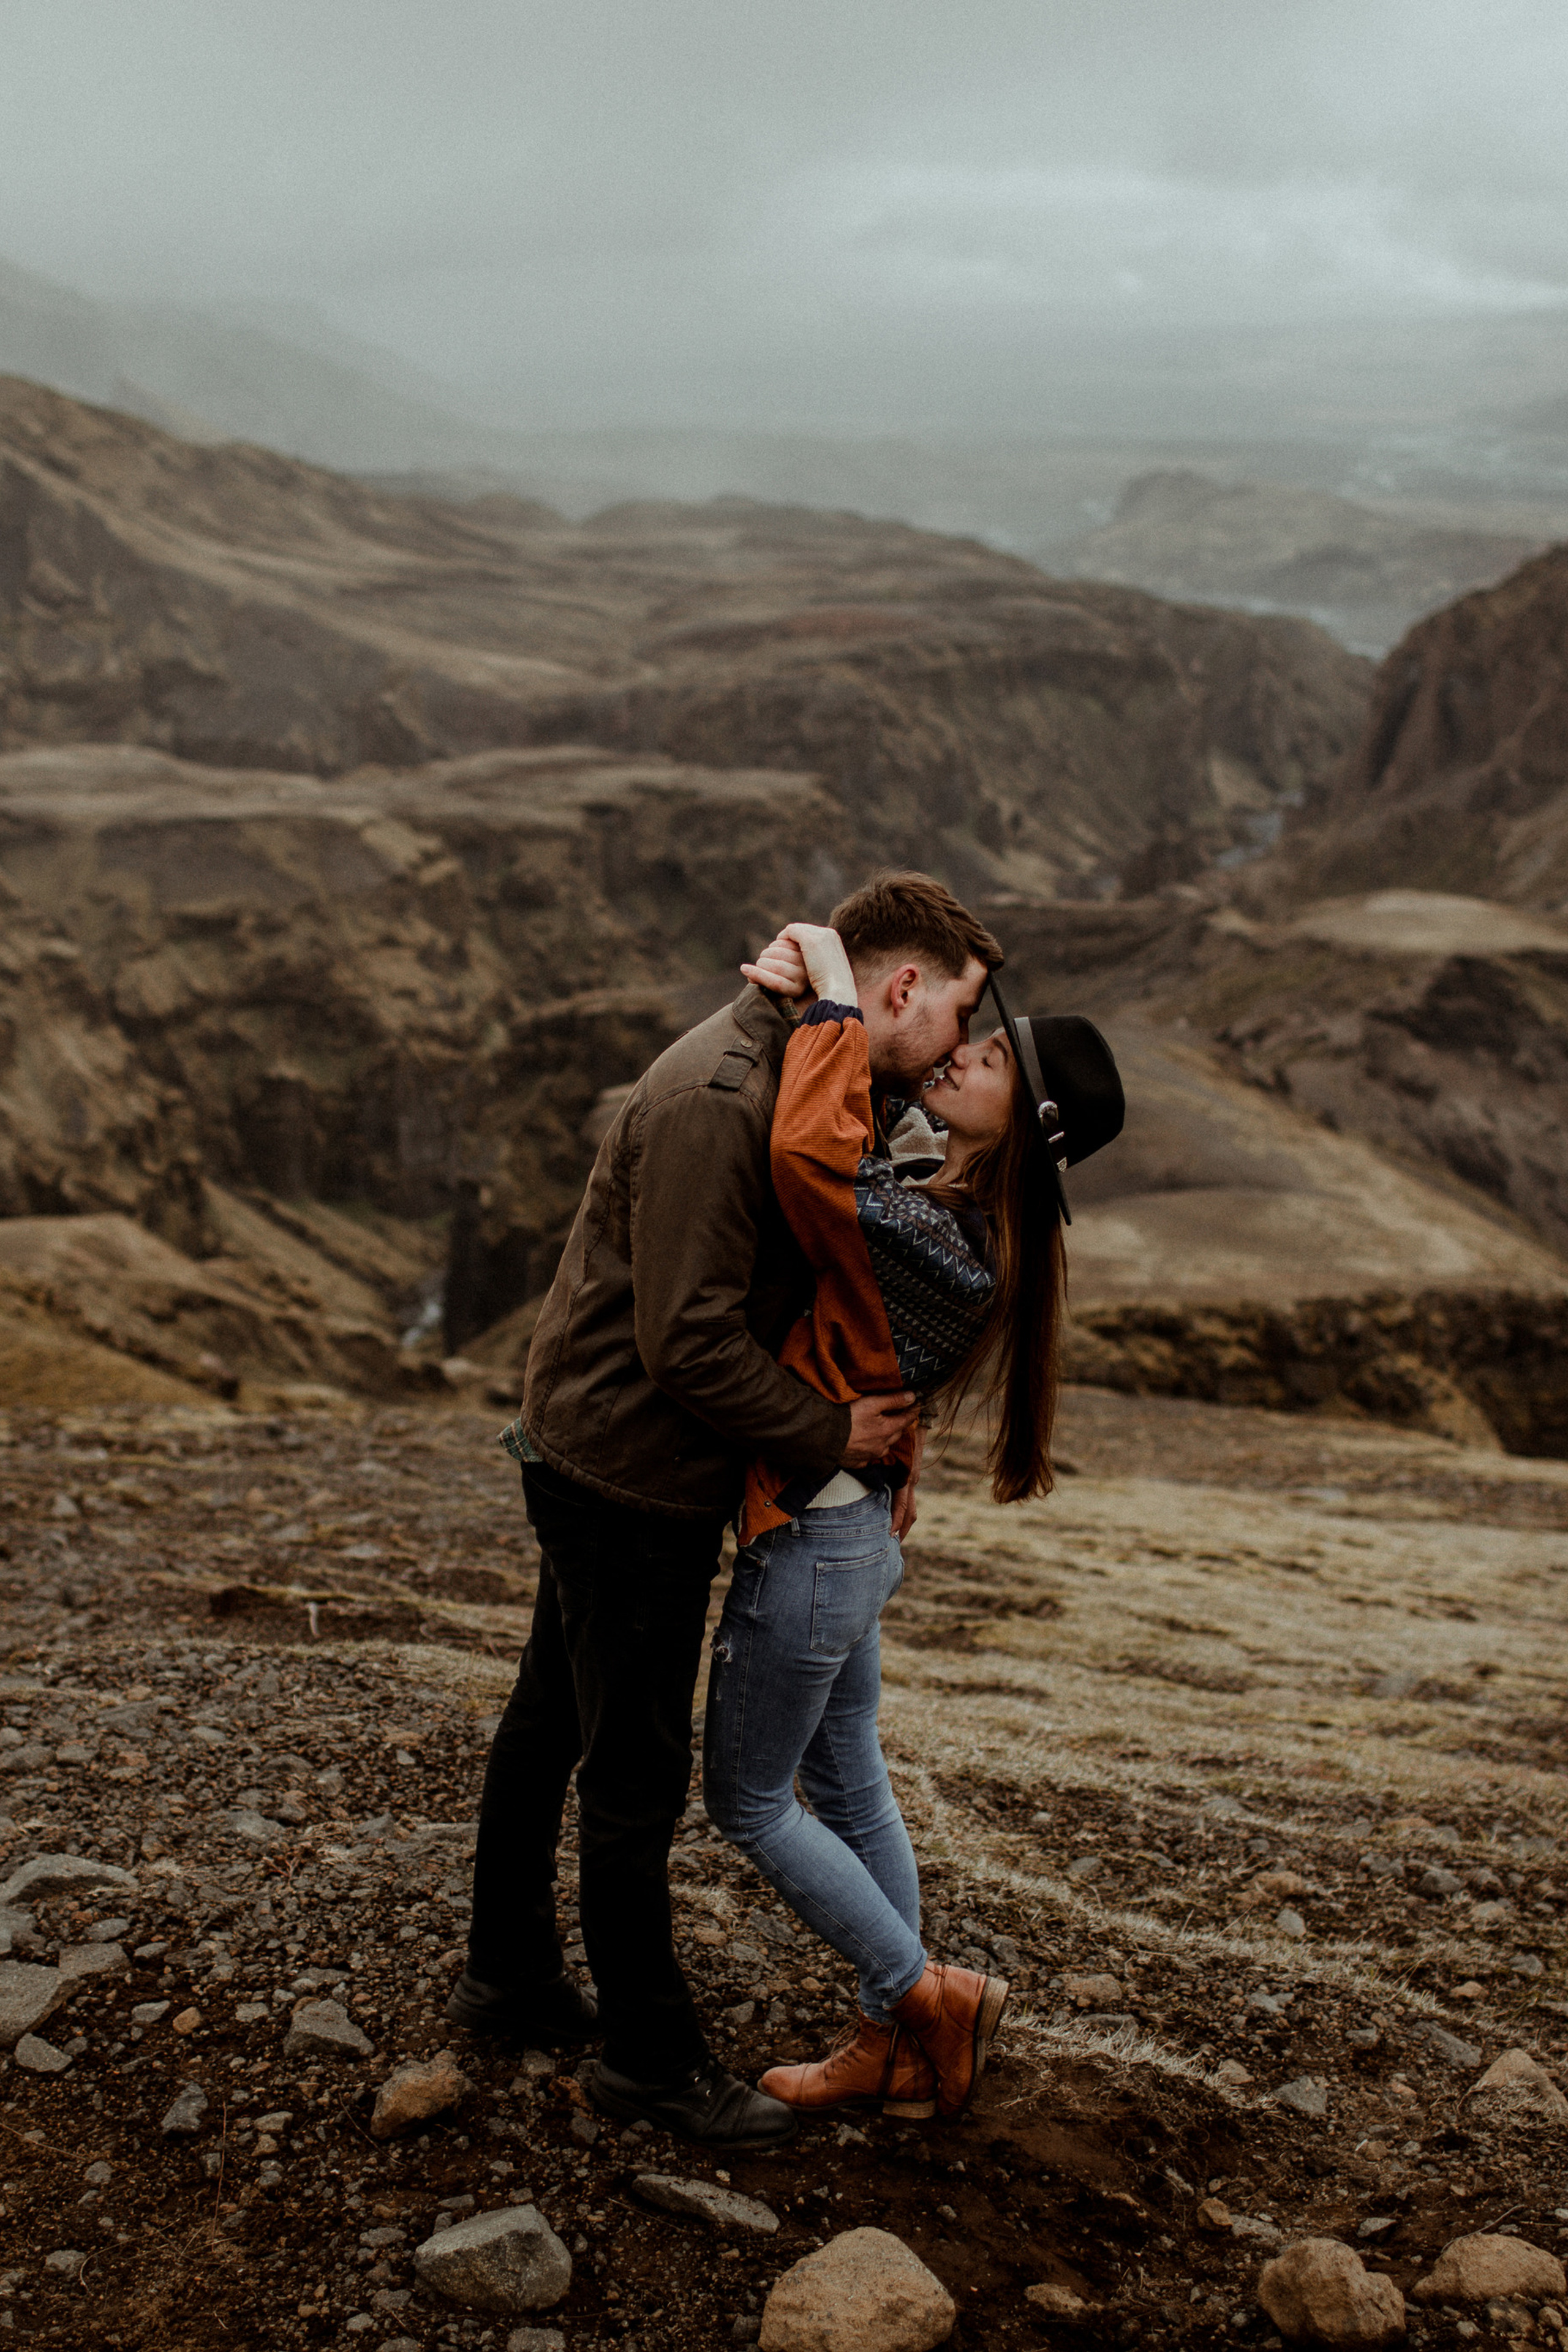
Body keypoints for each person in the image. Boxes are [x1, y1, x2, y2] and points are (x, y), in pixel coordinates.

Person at [447, 872, 1002, 2149]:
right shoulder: (722, 1093)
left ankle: (509, 1974)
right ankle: (648, 2061)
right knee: (633, 1772)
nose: (951, 1050)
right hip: (628, 1466)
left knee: (551, 1714)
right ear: (899, 987)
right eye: (954, 1014)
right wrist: (830, 1433)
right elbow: (686, 1339)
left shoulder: (793, 1061)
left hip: (614, 1449)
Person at [702, 919, 1124, 2121]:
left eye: (987, 1064)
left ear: (1026, 1129)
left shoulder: (951, 1242)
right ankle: (892, 2036)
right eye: (976, 1041)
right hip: (852, 1534)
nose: (954, 1061)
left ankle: (919, 1994)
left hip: (816, 1547)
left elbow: (810, 1167)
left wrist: (834, 990)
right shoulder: (956, 1203)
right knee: (850, 1782)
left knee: (744, 1801)